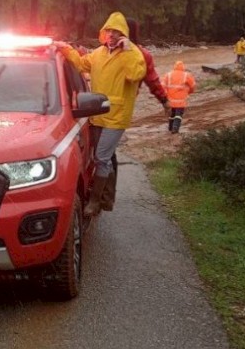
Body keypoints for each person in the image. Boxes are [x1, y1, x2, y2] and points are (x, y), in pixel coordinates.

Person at [60, 11, 146, 217]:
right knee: (103, 158)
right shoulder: (98, 53)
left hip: (117, 117)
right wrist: (65, 49)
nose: (112, 35)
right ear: (104, 33)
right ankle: (106, 198)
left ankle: (95, 201)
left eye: (117, 32)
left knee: (102, 157)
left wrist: (127, 50)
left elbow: (135, 74)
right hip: (96, 113)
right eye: (109, 31)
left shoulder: (131, 53)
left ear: (124, 33)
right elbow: (81, 64)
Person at [161, 60, 196, 133]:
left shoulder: (168, 75)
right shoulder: (186, 75)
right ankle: (175, 128)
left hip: (170, 100)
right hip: (181, 101)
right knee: (178, 115)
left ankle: (170, 127)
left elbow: (162, 86)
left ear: (174, 67)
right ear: (183, 67)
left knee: (172, 114)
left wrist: (164, 97)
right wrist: (189, 92)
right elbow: (193, 86)